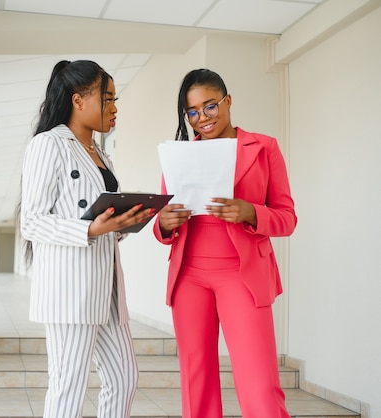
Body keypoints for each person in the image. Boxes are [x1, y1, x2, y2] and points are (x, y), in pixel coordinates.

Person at [153, 68, 297, 418]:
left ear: (228, 102)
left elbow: (287, 218)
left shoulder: (264, 148)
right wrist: (164, 223)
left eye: (210, 106)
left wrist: (251, 212)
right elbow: (162, 220)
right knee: (196, 381)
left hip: (243, 276)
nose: (202, 117)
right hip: (189, 276)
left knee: (259, 384)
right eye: (193, 111)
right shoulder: (180, 155)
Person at [19, 60, 152, 418]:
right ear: (79, 101)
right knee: (69, 387)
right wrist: (91, 229)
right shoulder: (49, 145)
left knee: (124, 377)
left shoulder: (101, 155)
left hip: (106, 286)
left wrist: (126, 222)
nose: (115, 107)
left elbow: (103, 221)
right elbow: (31, 222)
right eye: (107, 99)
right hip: (70, 288)